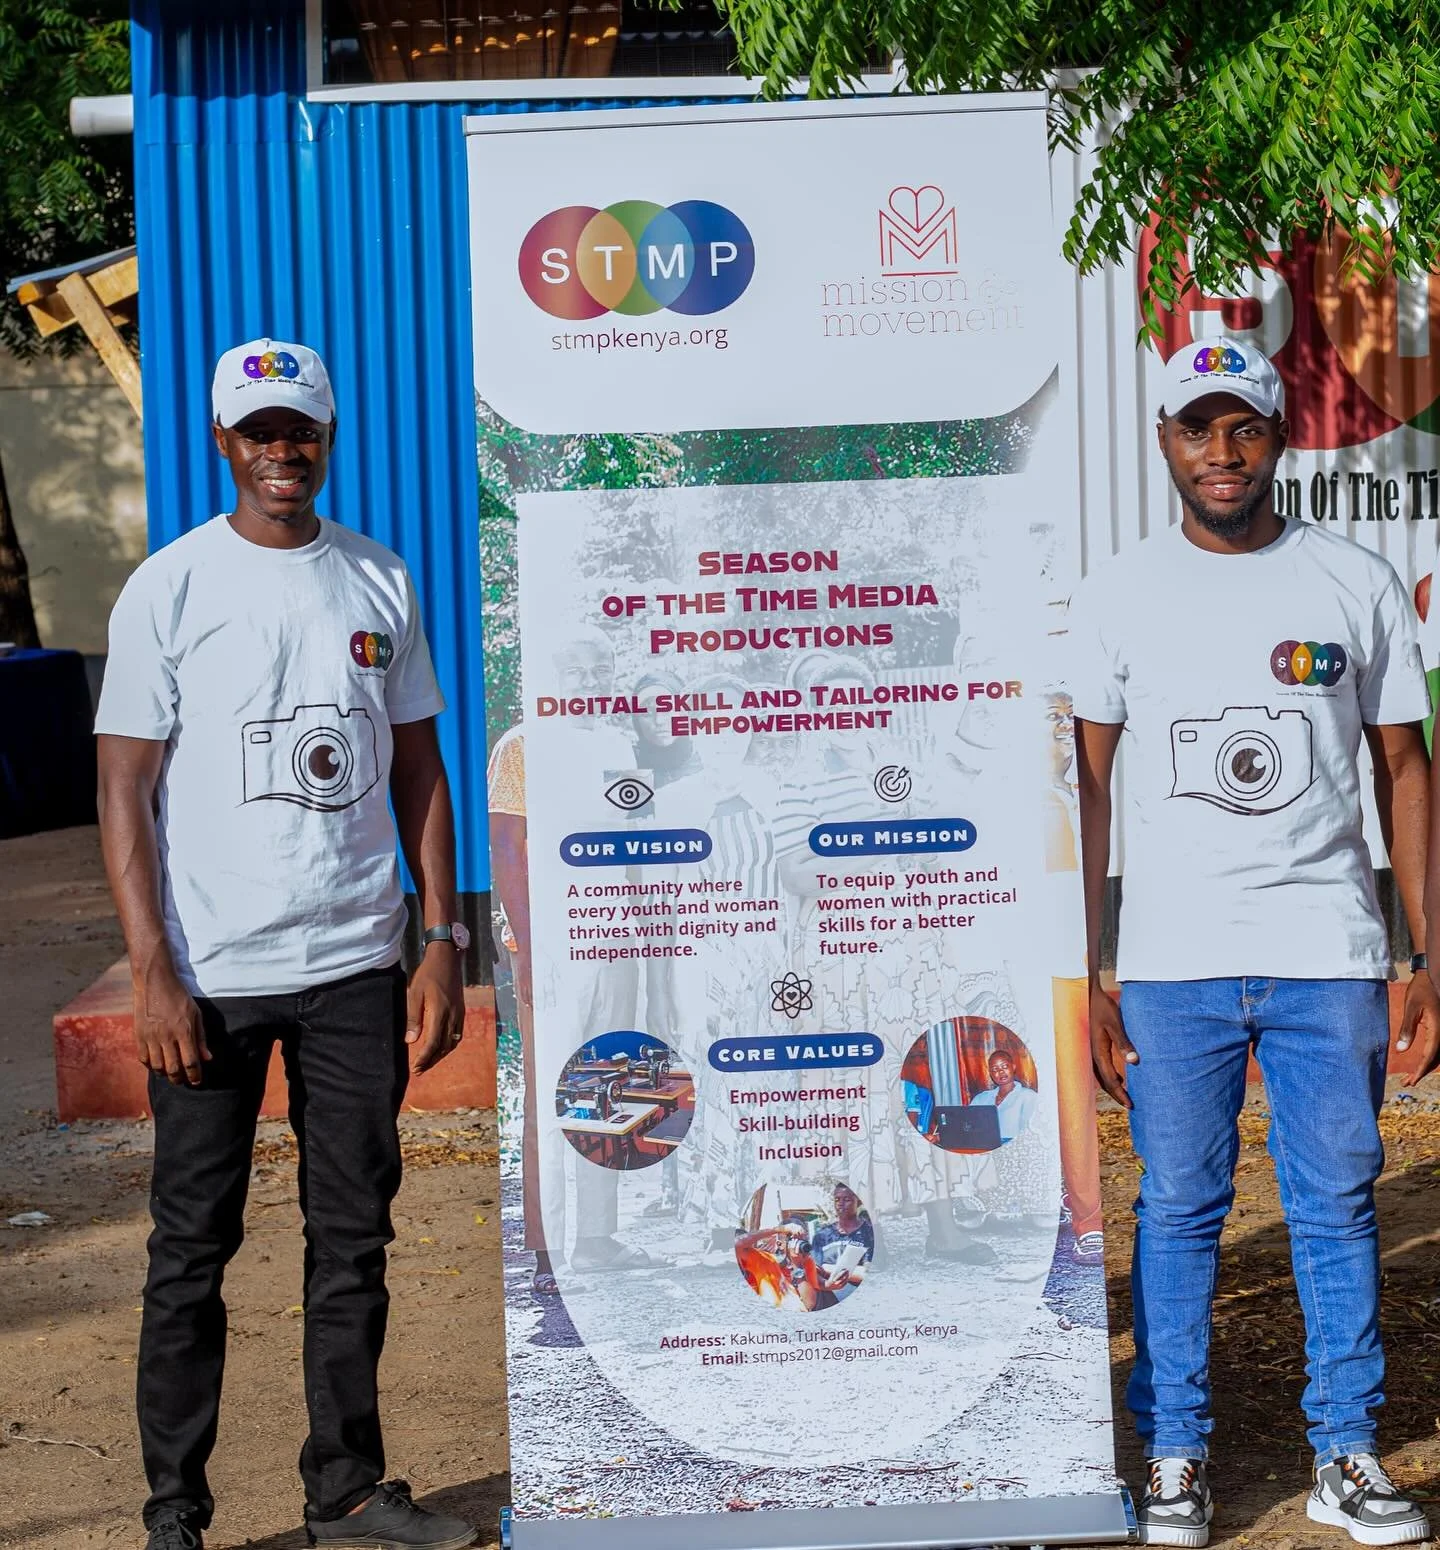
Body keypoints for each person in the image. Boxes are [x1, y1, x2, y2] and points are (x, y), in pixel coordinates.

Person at [95, 339, 477, 1550]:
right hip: (208, 980)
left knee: (353, 1236)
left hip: (357, 965)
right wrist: (152, 966)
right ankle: (176, 1516)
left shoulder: (379, 581)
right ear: (223, 442)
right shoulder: (171, 586)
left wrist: (443, 934)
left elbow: (420, 765)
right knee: (189, 1249)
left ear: (327, 436)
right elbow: (123, 789)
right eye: (257, 431)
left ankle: (347, 1491)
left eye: (297, 428)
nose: (280, 450)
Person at [1070, 336, 1439, 1548]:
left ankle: (1345, 1449)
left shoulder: (1354, 580)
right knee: (1177, 1205)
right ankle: (1173, 1453)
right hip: (1171, 960)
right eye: (1195, 428)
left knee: (1334, 1202)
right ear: (1163, 441)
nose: (1219, 454)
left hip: (1328, 947)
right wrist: (1098, 973)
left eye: (1244, 430)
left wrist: (1421, 953)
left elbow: (1402, 769)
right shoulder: (1119, 591)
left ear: (1279, 440)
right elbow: (1087, 790)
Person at [969, 1049, 1037, 1142]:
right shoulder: (980, 1099)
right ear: (990, 1074)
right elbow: (968, 1127)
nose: (1000, 1071)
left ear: (1013, 1067)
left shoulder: (1028, 1097)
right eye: (995, 1069)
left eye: (1004, 1066)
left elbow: (1030, 1134)